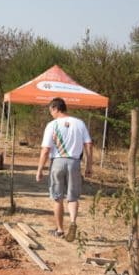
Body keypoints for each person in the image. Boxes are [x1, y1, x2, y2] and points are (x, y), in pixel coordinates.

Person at [35, 97, 93, 242]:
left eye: (51, 111)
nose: (51, 114)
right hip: (74, 162)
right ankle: (73, 222)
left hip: (58, 162)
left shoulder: (52, 125)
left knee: (57, 197)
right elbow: (89, 145)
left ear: (55, 108)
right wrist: (89, 165)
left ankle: (60, 229)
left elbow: (46, 149)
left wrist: (40, 169)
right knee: (73, 197)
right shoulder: (80, 123)